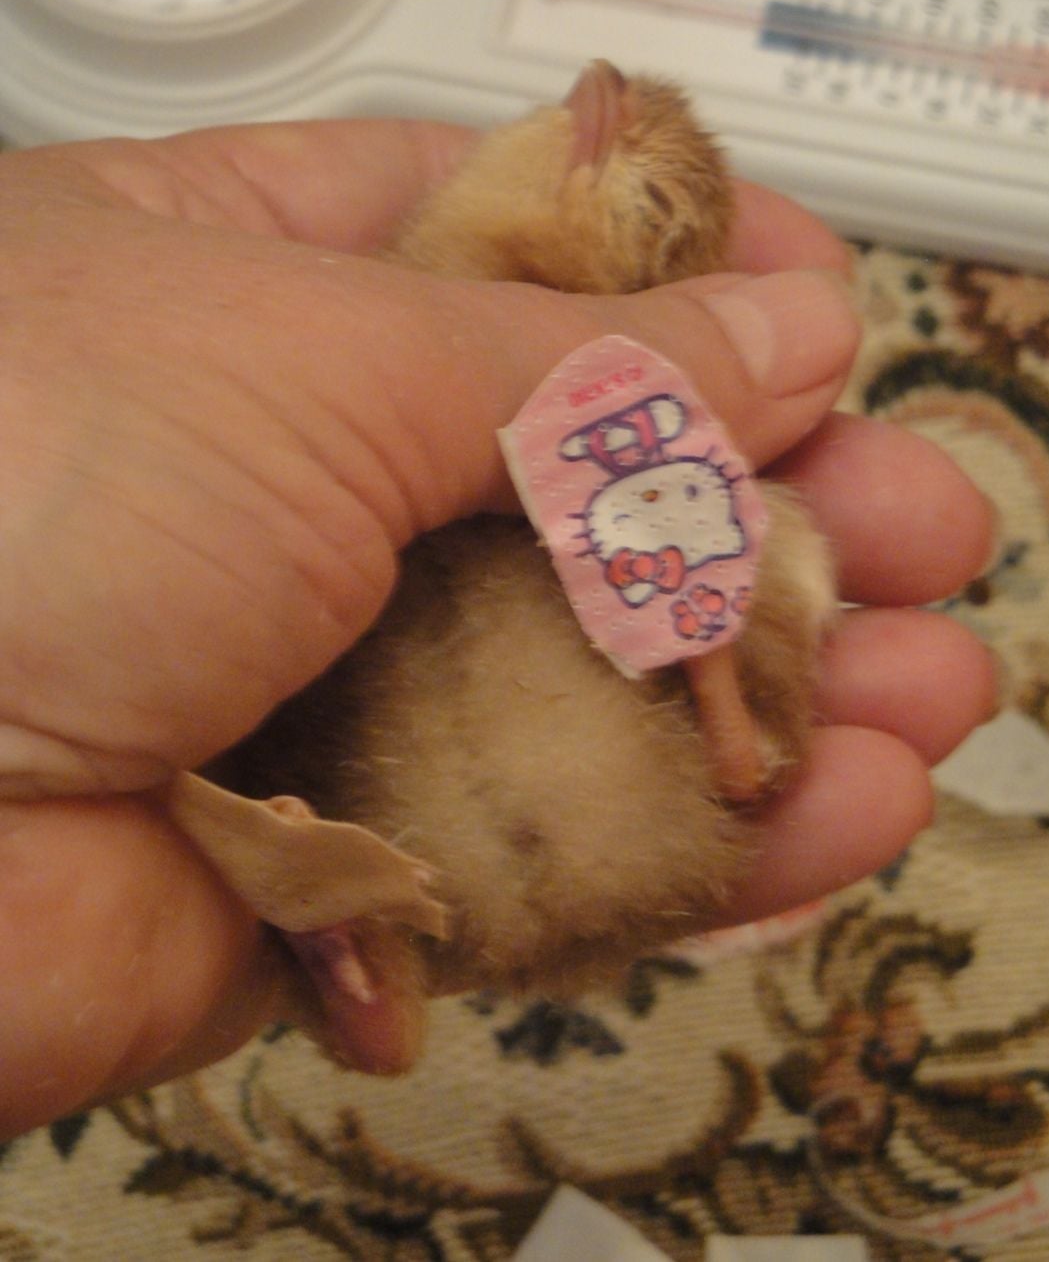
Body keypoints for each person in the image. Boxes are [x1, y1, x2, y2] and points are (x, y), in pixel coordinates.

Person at [0, 116, 996, 1140]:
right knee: (739, 544)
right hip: (611, 813)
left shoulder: (436, 319)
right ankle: (344, 928)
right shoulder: (374, 324)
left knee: (728, 540)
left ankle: (343, 931)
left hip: (510, 802)